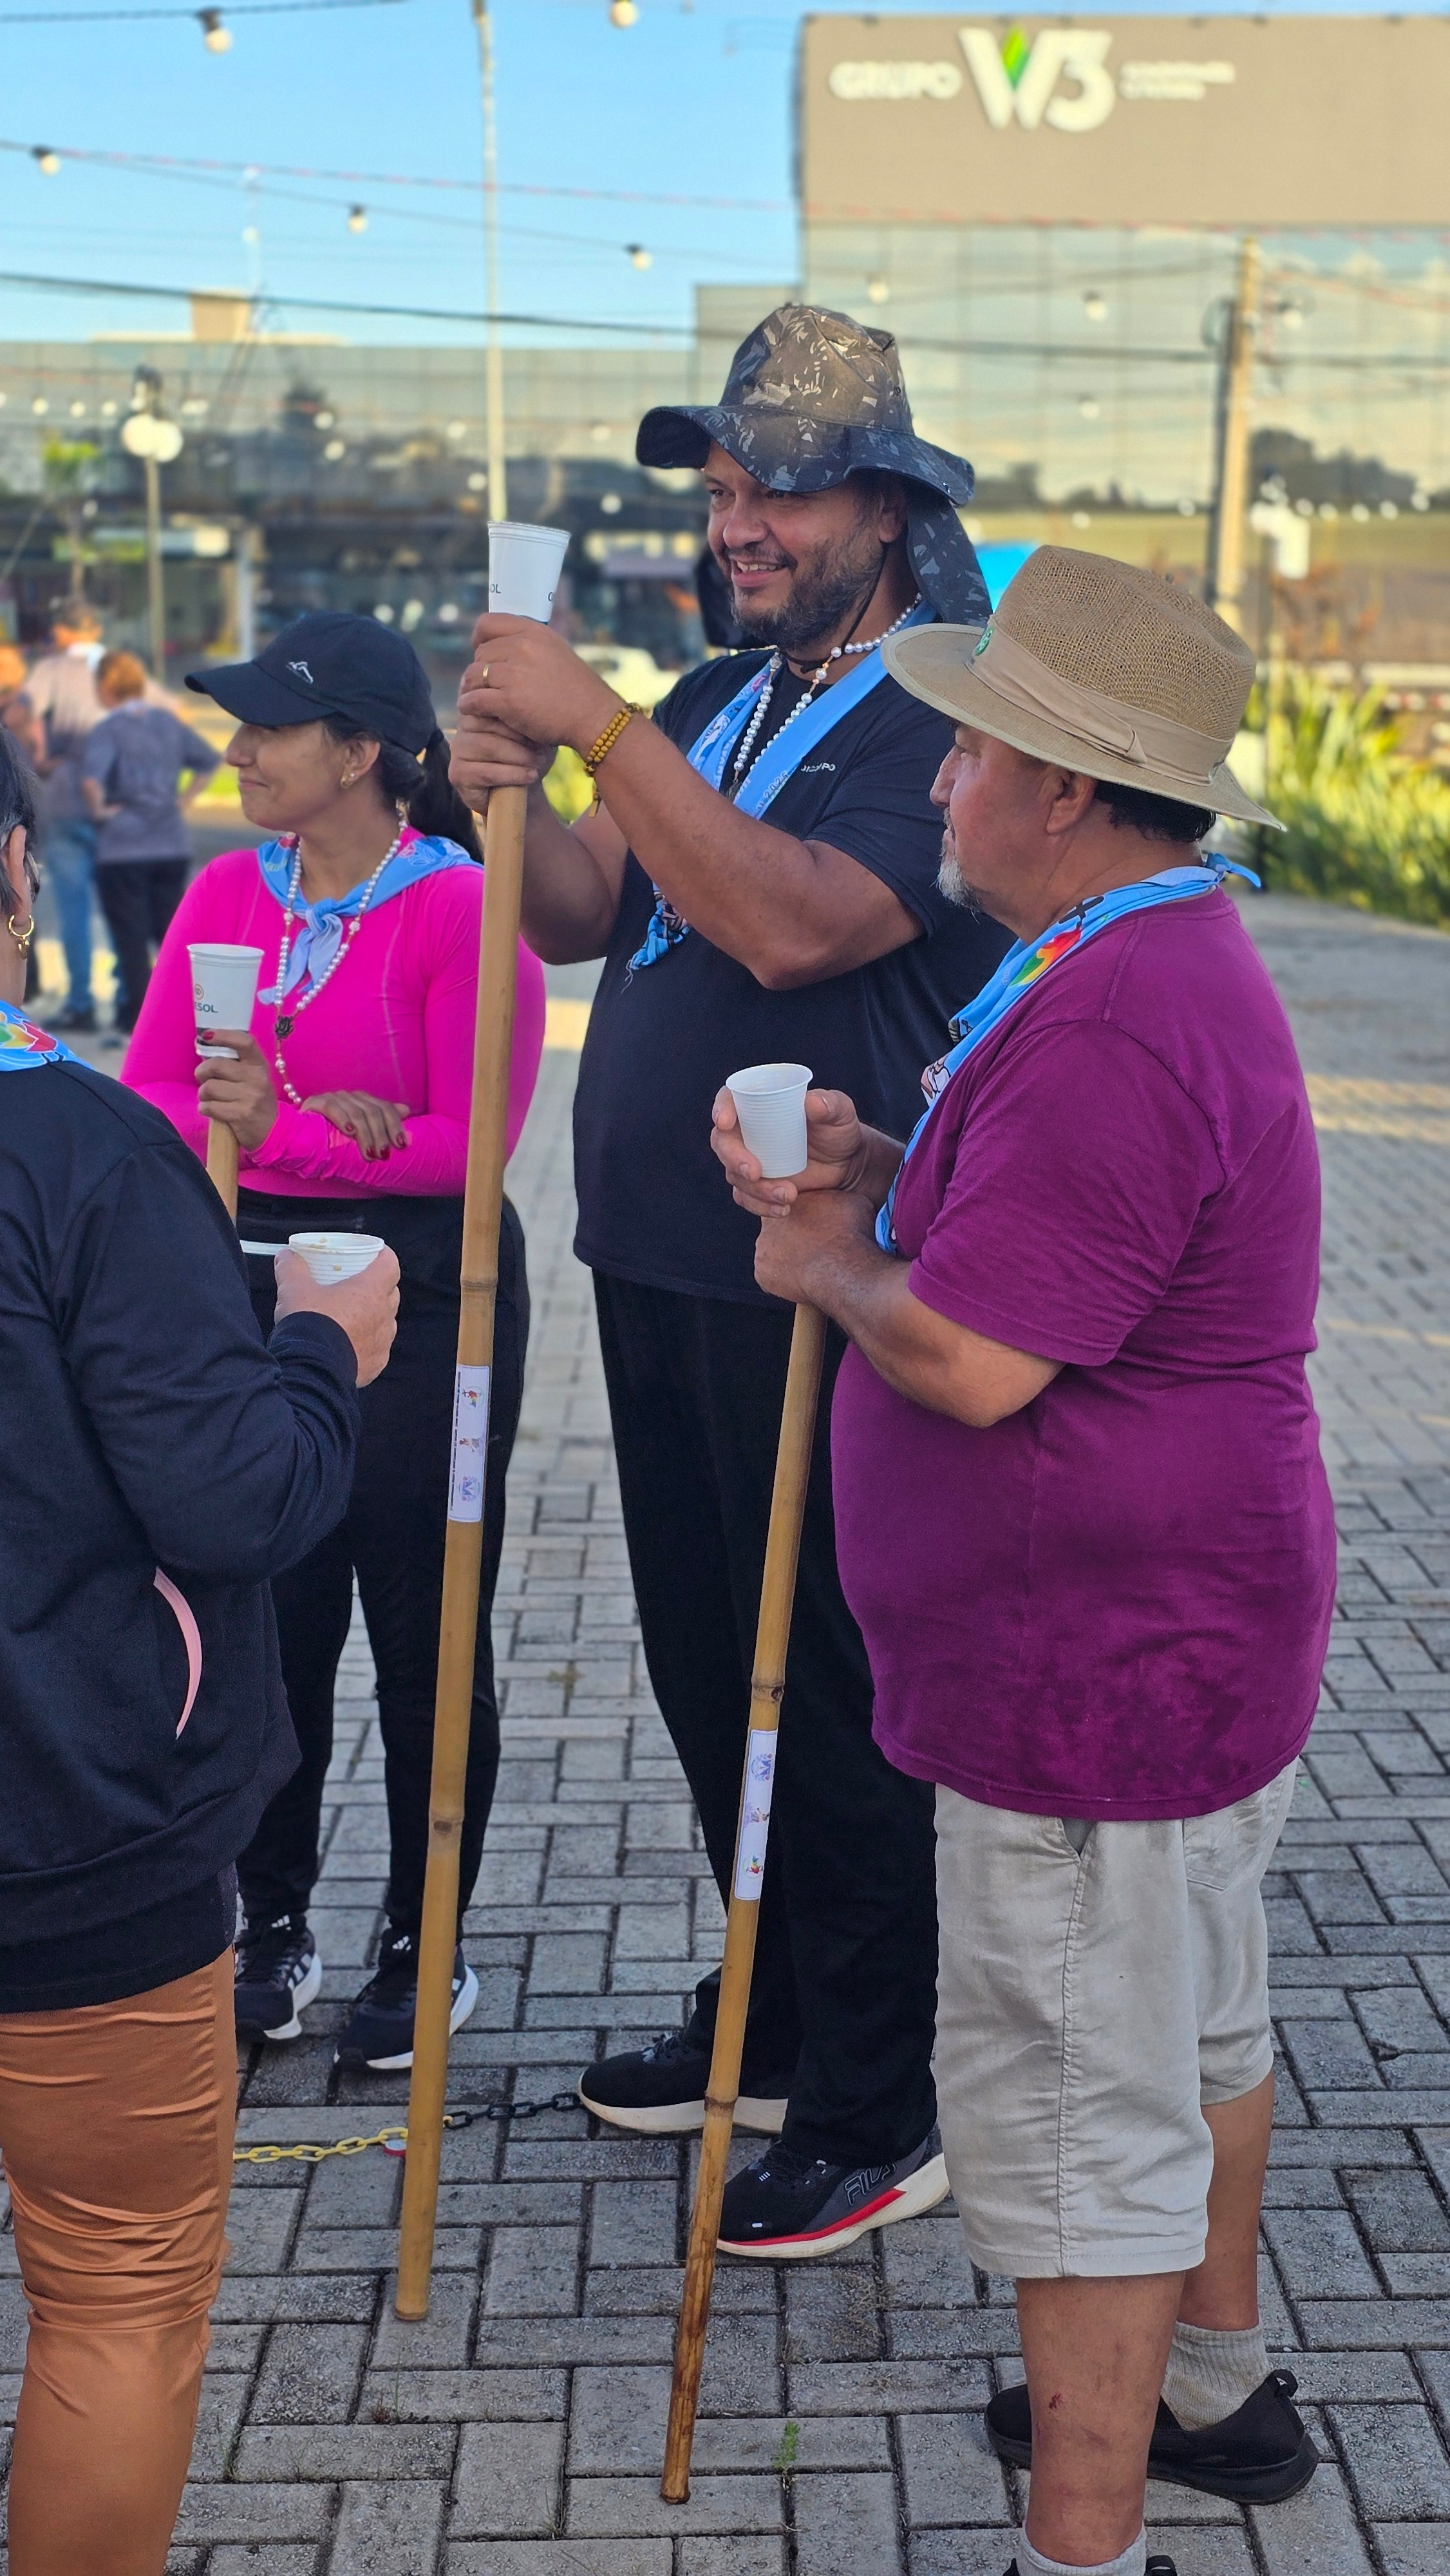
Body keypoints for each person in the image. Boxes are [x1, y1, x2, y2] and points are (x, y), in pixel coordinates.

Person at [711, 548, 1333, 2576]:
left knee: (1079, 2115)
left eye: (969, 749)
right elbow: (1053, 1254)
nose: (941, 778)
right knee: (1188, 2031)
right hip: (1172, 1635)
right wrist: (893, 1183)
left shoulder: (1117, 1009)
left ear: (1063, 786)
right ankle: (1206, 2384)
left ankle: (1084, 2537)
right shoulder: (1124, 959)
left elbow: (977, 1360)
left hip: (1096, 1669)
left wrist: (828, 1260)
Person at [450, 303, 1010, 2257]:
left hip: (818, 1266)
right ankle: (774, 2008)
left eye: (778, 488)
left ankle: (880, 2089)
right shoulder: (717, 695)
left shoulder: (938, 706)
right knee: (712, 1668)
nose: (738, 523)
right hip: (662, 1258)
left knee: (825, 1681)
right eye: (716, 489)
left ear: (885, 505)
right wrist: (503, 787)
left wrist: (595, 725)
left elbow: (794, 928)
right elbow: (589, 911)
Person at [0, 720, 399, 2576]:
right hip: (77, 1827)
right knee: (118, 2291)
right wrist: (322, 1350)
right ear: (18, 878)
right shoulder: (82, 1152)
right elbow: (236, 1497)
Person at [124, 611, 545, 2069]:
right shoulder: (224, 890)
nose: (238, 751)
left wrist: (285, 1128)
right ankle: (271, 1922)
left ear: (361, 751)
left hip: (428, 1291)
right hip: (246, 1284)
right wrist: (308, 1131)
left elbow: (468, 1146)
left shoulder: (459, 906)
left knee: (425, 1628)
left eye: (270, 727)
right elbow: (154, 1090)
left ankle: (427, 1942)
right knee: (269, 1617)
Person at [81, 648, 221, 1036]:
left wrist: (102, 811)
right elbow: (209, 761)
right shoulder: (167, 722)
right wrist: (184, 800)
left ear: (105, 687)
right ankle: (186, 1017)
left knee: (131, 941)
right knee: (171, 938)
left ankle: (139, 1020)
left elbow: (92, 782)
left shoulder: (109, 729)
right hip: (170, 842)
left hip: (124, 846)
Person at [24, 603, 106, 1031]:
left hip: (68, 800)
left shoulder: (52, 669)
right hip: (119, 806)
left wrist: (40, 759)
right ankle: (134, 1002)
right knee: (124, 912)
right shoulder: (121, 668)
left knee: (75, 909)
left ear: (61, 631)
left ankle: (81, 1003)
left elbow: (22, 715)